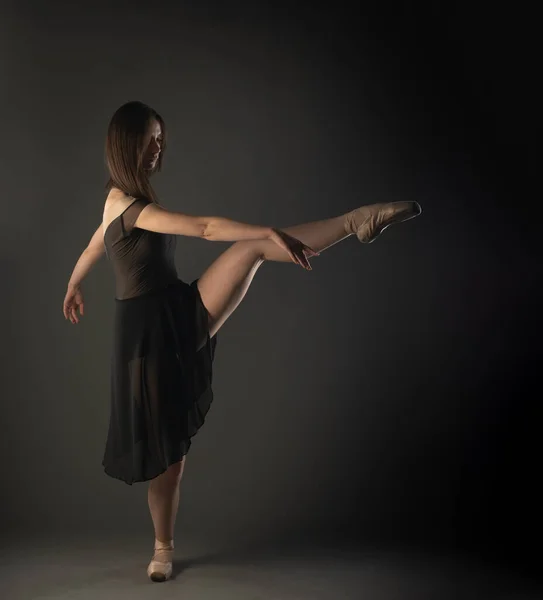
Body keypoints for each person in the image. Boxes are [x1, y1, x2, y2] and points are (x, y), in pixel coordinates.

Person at [62, 100, 422, 582]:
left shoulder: (118, 199)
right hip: (145, 336)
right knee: (167, 454)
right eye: (152, 138)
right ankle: (162, 548)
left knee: (251, 251)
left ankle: (358, 220)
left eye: (162, 137)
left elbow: (92, 244)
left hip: (180, 310)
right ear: (128, 143)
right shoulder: (129, 206)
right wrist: (267, 228)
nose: (159, 147)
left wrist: (73, 282)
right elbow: (203, 228)